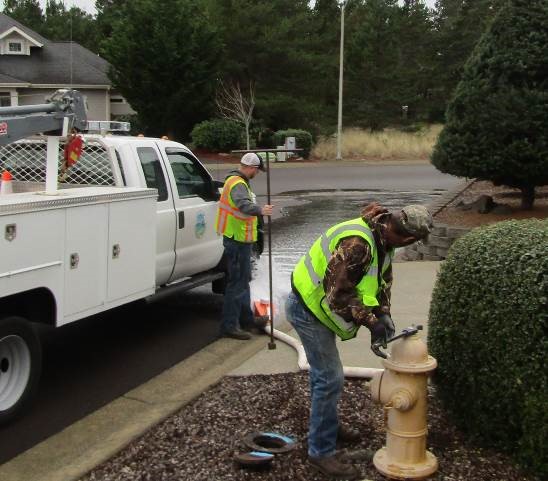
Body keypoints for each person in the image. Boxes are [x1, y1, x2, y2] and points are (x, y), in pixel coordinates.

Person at [285, 202, 433, 479]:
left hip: (319, 308)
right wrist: (372, 323)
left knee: (327, 377)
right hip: (307, 309)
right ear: (409, 238)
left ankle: (326, 424)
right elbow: (338, 295)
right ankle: (320, 452)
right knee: (329, 378)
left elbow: (382, 280)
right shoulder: (358, 244)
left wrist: (383, 314)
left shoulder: (383, 236)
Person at [216, 153, 274, 340]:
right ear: (251, 168)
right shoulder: (238, 183)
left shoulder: (236, 181)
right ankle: (230, 325)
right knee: (236, 284)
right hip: (237, 241)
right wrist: (261, 210)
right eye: (256, 170)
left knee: (243, 280)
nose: (256, 173)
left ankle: (247, 320)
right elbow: (243, 205)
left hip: (240, 239)